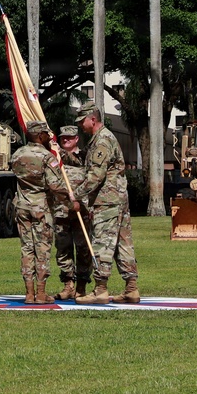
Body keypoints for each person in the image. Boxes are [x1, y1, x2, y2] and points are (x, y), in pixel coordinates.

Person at [72, 102, 140, 304]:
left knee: (102, 242)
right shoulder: (100, 140)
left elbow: (96, 176)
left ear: (92, 119)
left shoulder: (102, 140)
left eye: (81, 121)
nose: (80, 126)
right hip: (116, 199)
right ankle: (131, 288)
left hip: (107, 201)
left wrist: (76, 195)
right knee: (122, 243)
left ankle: (100, 289)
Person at [11, 120, 71, 304]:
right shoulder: (46, 157)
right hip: (40, 207)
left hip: (21, 206)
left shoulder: (17, 154)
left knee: (27, 249)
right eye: (46, 134)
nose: (49, 137)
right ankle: (41, 293)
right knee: (42, 249)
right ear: (39, 136)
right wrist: (70, 201)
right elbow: (55, 185)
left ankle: (29, 293)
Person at [52, 125, 92, 300]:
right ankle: (68, 284)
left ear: (76, 138)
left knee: (83, 248)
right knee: (63, 248)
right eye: (62, 138)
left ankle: (81, 285)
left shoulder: (84, 157)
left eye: (69, 137)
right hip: (61, 210)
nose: (65, 140)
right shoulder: (54, 158)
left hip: (81, 209)